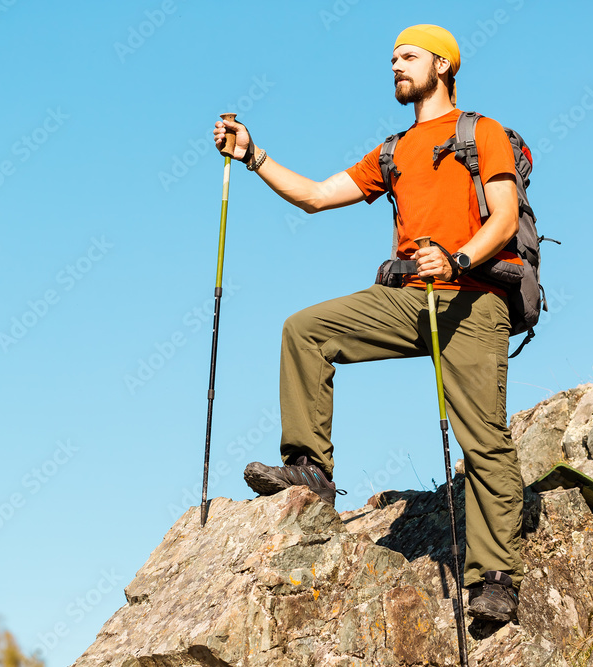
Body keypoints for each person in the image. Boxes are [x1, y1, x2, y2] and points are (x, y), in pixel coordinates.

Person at [212, 24, 523, 623]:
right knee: (305, 330)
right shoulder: (393, 150)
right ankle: (311, 471)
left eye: (407, 57)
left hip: (473, 298)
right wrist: (252, 155)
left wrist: (457, 257)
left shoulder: (481, 133)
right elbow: (315, 195)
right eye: (391, 59)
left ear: (443, 64)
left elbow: (505, 219)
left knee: (483, 438)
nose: (395, 66)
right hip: (410, 299)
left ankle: (496, 577)